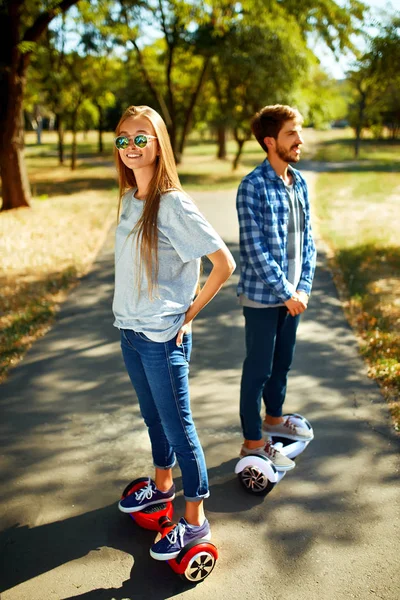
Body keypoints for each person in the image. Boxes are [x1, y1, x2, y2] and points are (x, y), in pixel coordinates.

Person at [112, 105, 235, 561]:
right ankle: (162, 487)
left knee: (180, 428)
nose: (130, 147)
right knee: (153, 419)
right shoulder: (129, 200)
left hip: (163, 338)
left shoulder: (173, 203)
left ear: (160, 143)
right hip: (130, 331)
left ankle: (196, 521)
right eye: (123, 138)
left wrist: (189, 315)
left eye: (141, 137)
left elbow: (223, 263)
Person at [236, 104, 317, 471]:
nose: (299, 140)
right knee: (259, 369)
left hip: (293, 298)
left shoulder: (298, 182)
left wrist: (303, 289)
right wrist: (286, 291)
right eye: (291, 134)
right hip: (263, 299)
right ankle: (253, 440)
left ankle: (273, 420)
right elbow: (254, 249)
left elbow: (309, 242)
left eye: (298, 133)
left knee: (282, 363)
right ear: (270, 142)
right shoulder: (252, 186)